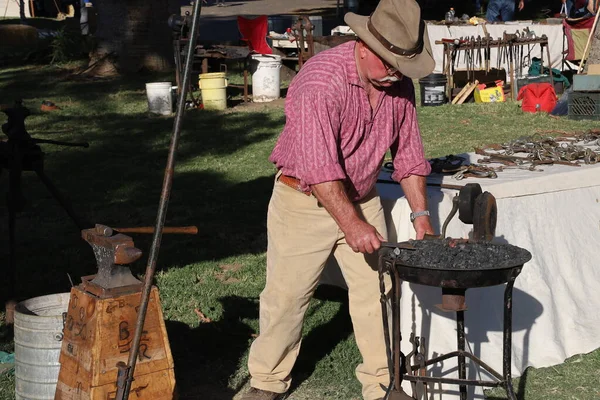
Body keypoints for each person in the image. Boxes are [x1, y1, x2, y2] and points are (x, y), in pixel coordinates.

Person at [239, 0, 435, 399]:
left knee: (378, 291)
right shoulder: (320, 82)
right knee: (287, 295)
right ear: (364, 46)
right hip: (303, 199)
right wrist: (352, 224)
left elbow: (410, 156)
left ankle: (384, 381)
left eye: (402, 65)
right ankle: (267, 380)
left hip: (362, 196)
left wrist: (421, 215)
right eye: (389, 63)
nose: (395, 73)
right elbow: (320, 169)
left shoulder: (398, 83)